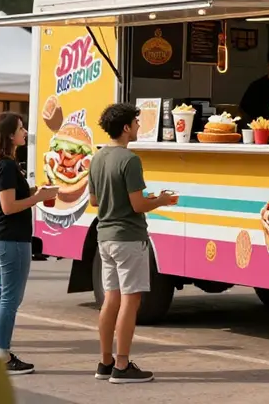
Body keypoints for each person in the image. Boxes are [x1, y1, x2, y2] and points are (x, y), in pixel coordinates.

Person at [88, 103, 176, 384]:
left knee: (110, 298)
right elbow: (138, 204)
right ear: (126, 128)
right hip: (129, 237)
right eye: (136, 123)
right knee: (130, 299)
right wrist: (161, 200)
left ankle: (105, 361)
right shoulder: (130, 160)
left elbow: (94, 200)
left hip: (105, 237)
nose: (139, 127)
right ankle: (123, 365)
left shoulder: (98, 158)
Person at [0, 112, 58, 376]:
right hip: (11, 237)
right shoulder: (7, 166)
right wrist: (37, 198)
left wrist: (34, 192)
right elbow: (8, 206)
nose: (25, 133)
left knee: (1, 297)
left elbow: (8, 198)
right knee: (10, 298)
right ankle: (2, 354)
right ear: (10, 135)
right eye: (21, 128)